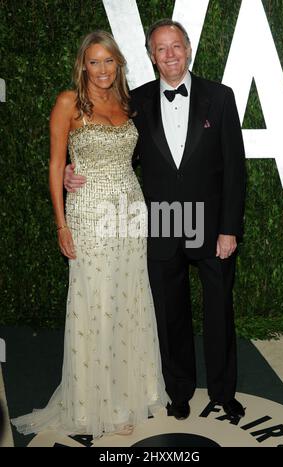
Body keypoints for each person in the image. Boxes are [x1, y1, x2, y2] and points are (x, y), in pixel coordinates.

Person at [64, 20, 246, 421]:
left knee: (219, 311)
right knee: (170, 313)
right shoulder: (137, 101)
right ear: (151, 56)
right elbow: (107, 147)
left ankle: (223, 392)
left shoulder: (220, 97)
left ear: (188, 49)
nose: (170, 56)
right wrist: (68, 170)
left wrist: (229, 228)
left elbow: (235, 168)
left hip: (211, 224)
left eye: (176, 47)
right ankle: (178, 391)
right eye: (161, 49)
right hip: (161, 222)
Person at [11, 30, 168, 439]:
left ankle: (137, 389)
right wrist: (61, 223)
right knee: (96, 302)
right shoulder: (69, 103)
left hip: (130, 212)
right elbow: (54, 164)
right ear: (83, 64)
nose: (102, 69)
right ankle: (99, 402)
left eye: (109, 61)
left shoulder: (128, 101)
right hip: (89, 215)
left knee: (131, 296)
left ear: (119, 64)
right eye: (94, 61)